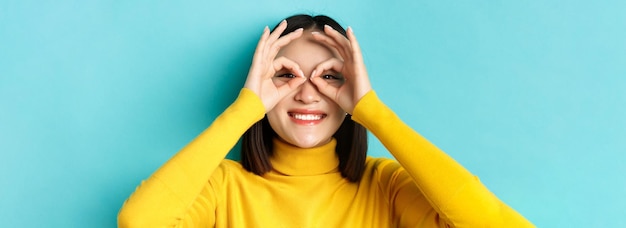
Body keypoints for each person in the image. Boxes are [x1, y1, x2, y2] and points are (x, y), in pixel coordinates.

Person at [117, 14, 534, 227]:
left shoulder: (385, 187)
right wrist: (245, 110)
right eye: (285, 75)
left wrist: (372, 111)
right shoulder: (224, 185)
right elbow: (139, 222)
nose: (308, 92)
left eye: (331, 77)